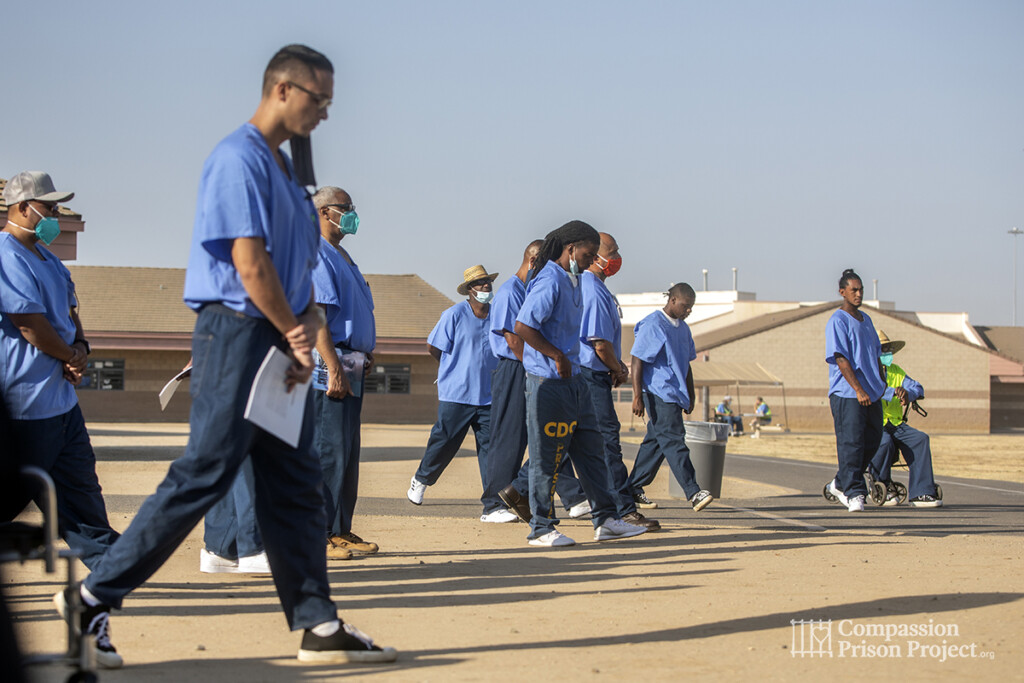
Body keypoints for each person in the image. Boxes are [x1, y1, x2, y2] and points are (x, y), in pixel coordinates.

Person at [56, 45, 397, 665]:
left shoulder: (290, 176)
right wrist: (296, 331)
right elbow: (248, 262)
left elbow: (295, 270)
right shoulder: (237, 159)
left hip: (280, 341)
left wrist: (304, 329)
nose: (324, 114)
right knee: (204, 473)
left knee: (294, 483)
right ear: (283, 90)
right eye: (319, 100)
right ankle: (92, 597)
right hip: (239, 334)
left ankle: (318, 624)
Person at [0, 172, 121, 570]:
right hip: (25, 404)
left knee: (79, 485)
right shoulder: (5, 254)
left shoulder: (49, 259)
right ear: (21, 208)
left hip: (62, 404)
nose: (55, 214)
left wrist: (81, 348)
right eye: (48, 207)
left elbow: (71, 312)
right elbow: (29, 324)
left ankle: (109, 562)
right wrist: (68, 355)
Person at [513, 220, 647, 547]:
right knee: (548, 454)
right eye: (588, 254)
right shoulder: (549, 280)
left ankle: (606, 519)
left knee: (592, 448)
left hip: (576, 380)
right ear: (571, 249)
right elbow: (523, 326)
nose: (591, 261)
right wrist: (556, 356)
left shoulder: (574, 280)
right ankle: (541, 528)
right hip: (548, 381)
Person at [490, 242, 590, 524]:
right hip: (519, 366)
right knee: (512, 439)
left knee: (553, 436)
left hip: (538, 367)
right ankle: (497, 500)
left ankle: (570, 496)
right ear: (534, 261)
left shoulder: (532, 287)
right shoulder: (510, 291)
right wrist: (535, 369)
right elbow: (513, 338)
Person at [310, 185, 379, 559]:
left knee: (348, 450)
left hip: (351, 360)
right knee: (329, 448)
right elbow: (316, 314)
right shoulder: (318, 253)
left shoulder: (343, 256)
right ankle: (318, 533)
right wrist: (333, 365)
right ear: (324, 212)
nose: (352, 213)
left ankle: (340, 529)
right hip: (331, 362)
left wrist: (364, 354)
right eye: (345, 208)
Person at [576, 233, 659, 530]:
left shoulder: (599, 288)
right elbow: (599, 343)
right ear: (596, 255)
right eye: (613, 251)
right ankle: (623, 509)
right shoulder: (592, 289)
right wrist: (619, 369)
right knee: (607, 442)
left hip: (594, 373)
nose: (617, 257)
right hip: (591, 375)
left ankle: (518, 489)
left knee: (574, 441)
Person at [407, 265, 499, 517]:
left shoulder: (498, 315)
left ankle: (493, 505)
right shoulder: (454, 315)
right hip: (457, 393)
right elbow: (433, 347)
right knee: (445, 441)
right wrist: (453, 368)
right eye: (480, 283)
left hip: (489, 395)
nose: (485, 287)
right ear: (469, 290)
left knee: (491, 449)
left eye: (488, 282)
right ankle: (421, 479)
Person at [627, 284, 714, 512]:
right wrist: (637, 395)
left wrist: (691, 394)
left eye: (691, 308)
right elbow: (637, 360)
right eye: (686, 306)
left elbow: (686, 364)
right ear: (673, 300)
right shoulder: (653, 324)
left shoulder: (683, 329)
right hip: (658, 392)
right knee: (674, 439)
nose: (688, 311)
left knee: (656, 443)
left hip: (675, 394)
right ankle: (693, 492)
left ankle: (632, 488)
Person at [824, 268, 886, 513]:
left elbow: (875, 355)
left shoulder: (866, 320)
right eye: (854, 290)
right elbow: (840, 358)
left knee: (873, 440)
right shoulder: (837, 320)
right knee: (852, 444)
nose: (859, 294)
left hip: (872, 392)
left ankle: (840, 482)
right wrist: (858, 389)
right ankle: (854, 493)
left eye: (861, 290)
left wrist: (879, 383)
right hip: (848, 393)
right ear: (842, 292)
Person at [867, 330, 942, 508]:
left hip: (896, 423)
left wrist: (909, 393)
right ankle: (881, 484)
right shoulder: (867, 370)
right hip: (876, 424)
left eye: (889, 350)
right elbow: (872, 390)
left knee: (920, 439)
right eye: (883, 349)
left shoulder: (896, 371)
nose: (887, 354)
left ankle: (922, 492)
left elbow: (917, 387)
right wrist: (894, 392)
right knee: (884, 442)